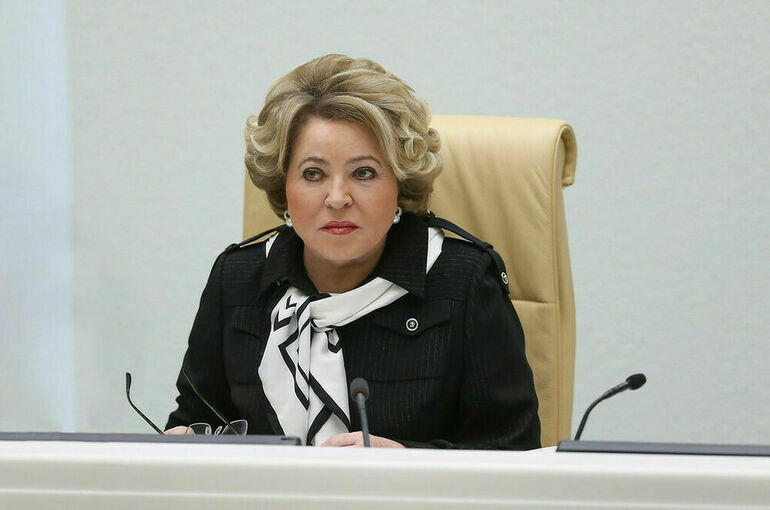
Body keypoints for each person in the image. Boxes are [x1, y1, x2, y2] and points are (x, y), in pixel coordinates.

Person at [165, 54, 540, 449]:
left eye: (364, 173)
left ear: (400, 181)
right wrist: (183, 442)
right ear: (283, 185)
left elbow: (514, 449)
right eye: (313, 174)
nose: (337, 198)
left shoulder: (463, 281)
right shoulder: (236, 278)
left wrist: (407, 460)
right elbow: (196, 420)